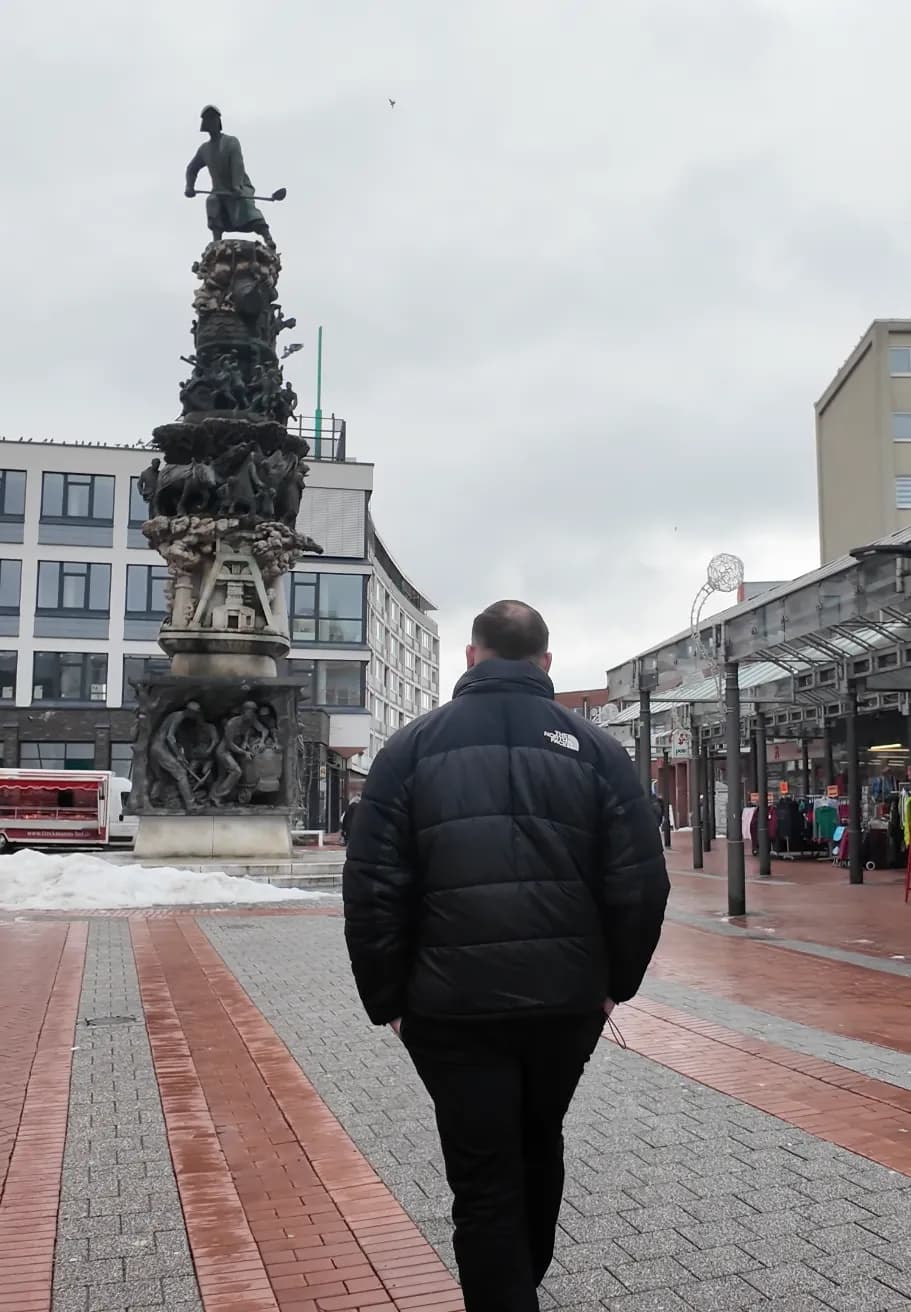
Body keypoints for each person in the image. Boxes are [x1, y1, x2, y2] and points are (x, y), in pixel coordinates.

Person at [343, 600, 670, 1312]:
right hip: (565, 1003)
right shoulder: (596, 752)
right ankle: (522, 1281)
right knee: (537, 1136)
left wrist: (388, 1000)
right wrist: (614, 985)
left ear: (471, 657)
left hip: (448, 1008)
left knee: (483, 1172)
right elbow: (641, 883)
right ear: (545, 664)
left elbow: (372, 886)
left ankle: (507, 1292)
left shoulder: (409, 749)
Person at [185, 105, 275, 249]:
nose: (211, 123)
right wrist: (189, 186)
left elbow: (237, 164)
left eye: (213, 119)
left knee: (246, 207)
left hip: (239, 185)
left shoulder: (231, 141)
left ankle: (267, 237)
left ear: (218, 122)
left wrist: (236, 186)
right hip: (219, 190)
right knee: (212, 202)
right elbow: (191, 168)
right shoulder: (204, 149)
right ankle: (216, 240)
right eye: (208, 120)